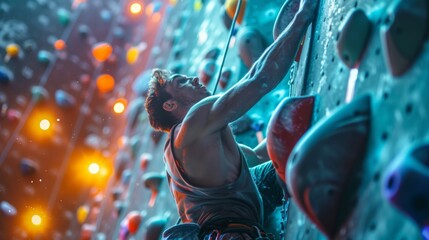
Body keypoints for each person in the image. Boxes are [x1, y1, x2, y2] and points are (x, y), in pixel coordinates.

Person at [145, 0, 319, 238]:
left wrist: (294, 122)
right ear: (170, 105)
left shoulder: (195, 144)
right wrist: (302, 16)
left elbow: (257, 156)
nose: (194, 79)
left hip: (237, 219)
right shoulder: (192, 123)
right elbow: (259, 79)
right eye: (182, 82)